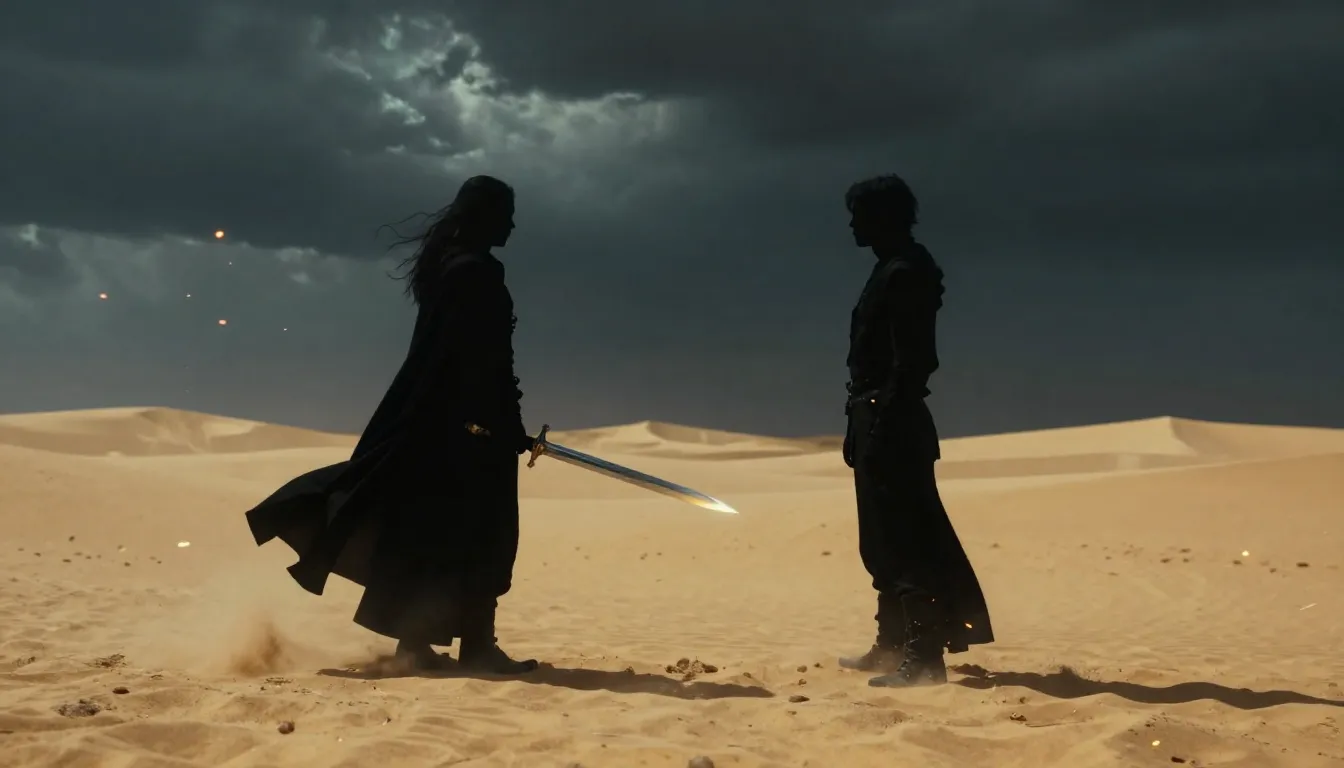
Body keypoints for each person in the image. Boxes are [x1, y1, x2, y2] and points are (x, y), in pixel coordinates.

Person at [244, 175, 539, 674]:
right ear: (485, 216)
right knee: (481, 534)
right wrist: (501, 422)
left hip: (442, 422)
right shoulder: (475, 272)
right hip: (469, 428)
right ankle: (471, 647)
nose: (512, 225)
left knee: (434, 532)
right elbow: (480, 358)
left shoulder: (452, 267)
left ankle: (421, 644)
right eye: (505, 214)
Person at [837, 174, 994, 687]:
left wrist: (882, 420)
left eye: (860, 215)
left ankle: (924, 657)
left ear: (884, 216)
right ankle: (892, 644)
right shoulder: (889, 268)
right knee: (880, 542)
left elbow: (915, 361)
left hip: (893, 419)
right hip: (873, 415)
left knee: (906, 541)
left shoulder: (907, 272)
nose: (852, 225)